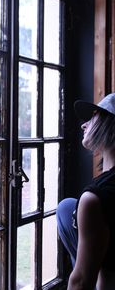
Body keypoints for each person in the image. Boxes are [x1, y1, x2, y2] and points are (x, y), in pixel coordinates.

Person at [56, 93, 115, 289]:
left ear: (109, 126)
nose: (84, 124)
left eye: (94, 117)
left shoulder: (95, 197)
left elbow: (80, 282)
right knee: (67, 209)